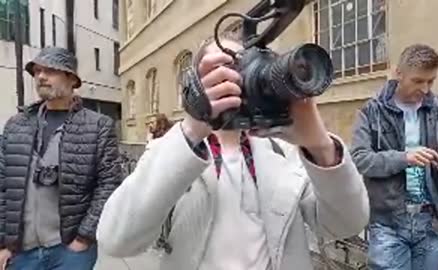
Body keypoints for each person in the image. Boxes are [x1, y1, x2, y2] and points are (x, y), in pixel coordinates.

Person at [96, 34, 369, 270]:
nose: (236, 81)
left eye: (246, 69)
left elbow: (346, 224)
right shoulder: (171, 151)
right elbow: (117, 239)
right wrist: (193, 127)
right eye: (222, 69)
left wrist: (320, 145)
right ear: (195, 83)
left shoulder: (284, 153)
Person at [0, 47, 122, 270]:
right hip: (21, 253)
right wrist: (3, 244)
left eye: (50, 70)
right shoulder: (16, 125)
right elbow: (3, 185)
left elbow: (109, 184)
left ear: (71, 79)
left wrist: (84, 237)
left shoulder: (97, 126)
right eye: (37, 71)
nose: (41, 76)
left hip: (69, 252)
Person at [351, 44, 438, 270]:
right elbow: (360, 159)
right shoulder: (372, 111)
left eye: (430, 81)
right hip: (388, 223)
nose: (425, 88)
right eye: (418, 81)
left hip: (433, 222)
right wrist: (405, 158)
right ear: (399, 73)